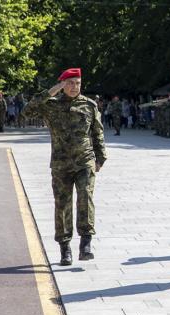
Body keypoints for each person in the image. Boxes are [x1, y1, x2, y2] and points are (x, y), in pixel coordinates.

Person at [21, 68, 106, 266]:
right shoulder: (50, 105)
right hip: (61, 164)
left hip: (84, 161)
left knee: (85, 197)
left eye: (77, 83)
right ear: (62, 85)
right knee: (62, 204)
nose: (74, 87)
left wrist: (100, 159)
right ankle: (65, 248)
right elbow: (26, 112)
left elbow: (97, 133)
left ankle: (86, 243)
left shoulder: (89, 105)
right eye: (70, 83)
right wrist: (50, 92)